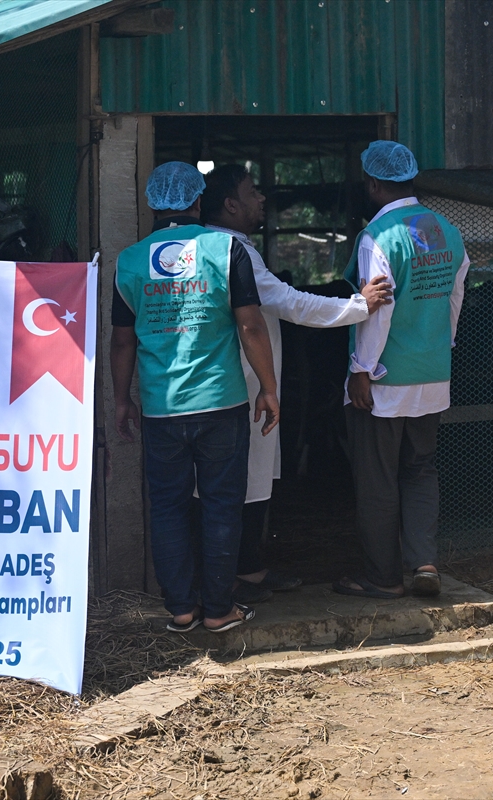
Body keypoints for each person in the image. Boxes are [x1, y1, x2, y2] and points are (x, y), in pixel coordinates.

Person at [200, 164, 394, 604]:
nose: (261, 198)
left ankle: (248, 567)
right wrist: (356, 306)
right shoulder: (231, 249)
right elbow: (288, 301)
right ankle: (231, 576)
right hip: (241, 381)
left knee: (251, 473)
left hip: (245, 379)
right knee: (240, 476)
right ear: (230, 205)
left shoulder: (223, 246)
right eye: (252, 191)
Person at [111, 161, 279, 633]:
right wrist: (268, 387)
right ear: (198, 201)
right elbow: (250, 325)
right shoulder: (226, 249)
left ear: (152, 204)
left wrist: (122, 399)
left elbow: (122, 341)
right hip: (221, 402)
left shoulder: (130, 261)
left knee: (168, 506)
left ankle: (182, 609)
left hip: (161, 407)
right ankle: (220, 609)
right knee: (222, 505)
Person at [334, 141, 470, 600]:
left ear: (374, 184)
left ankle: (383, 577)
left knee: (378, 478)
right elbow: (455, 297)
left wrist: (361, 369)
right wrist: (442, 344)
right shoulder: (447, 230)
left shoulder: (378, 236)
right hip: (433, 373)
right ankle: (424, 562)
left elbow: (378, 309)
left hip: (386, 379)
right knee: (420, 469)